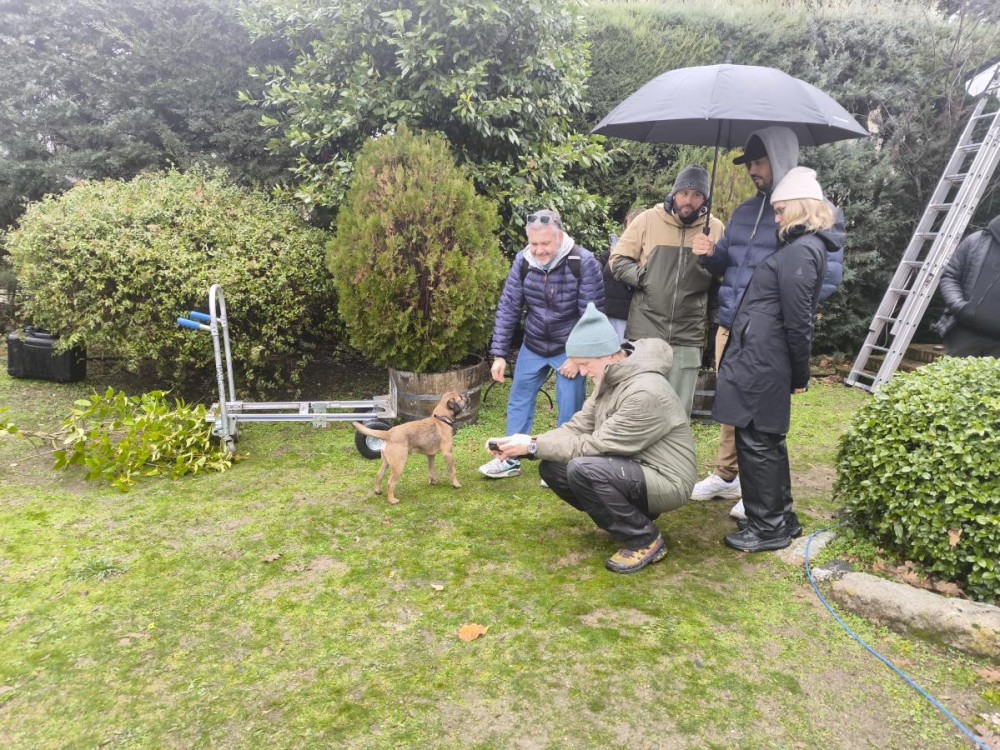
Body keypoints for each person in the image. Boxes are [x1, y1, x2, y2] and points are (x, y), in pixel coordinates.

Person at [690, 127, 845, 519]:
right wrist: (708, 254)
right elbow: (726, 263)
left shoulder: (809, 211)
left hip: (767, 333)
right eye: (748, 163)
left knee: (761, 415)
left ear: (779, 159)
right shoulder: (745, 211)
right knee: (732, 407)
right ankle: (728, 476)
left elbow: (823, 278)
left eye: (758, 162)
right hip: (730, 325)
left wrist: (777, 317)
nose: (752, 170)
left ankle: (757, 489)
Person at [489, 303, 697, 573]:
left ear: (608, 355)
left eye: (585, 364)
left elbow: (596, 445)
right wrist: (525, 443)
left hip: (667, 479)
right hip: (633, 467)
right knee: (553, 467)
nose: (583, 373)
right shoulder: (610, 379)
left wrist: (532, 447)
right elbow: (577, 427)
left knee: (584, 469)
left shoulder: (644, 392)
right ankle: (630, 517)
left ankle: (644, 539)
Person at [479, 209, 605, 479]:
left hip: (569, 348)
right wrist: (499, 354)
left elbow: (592, 315)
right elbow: (509, 306)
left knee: (570, 408)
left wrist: (578, 358)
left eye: (545, 243)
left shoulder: (583, 261)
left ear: (559, 237)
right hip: (534, 343)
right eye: (533, 243)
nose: (538, 250)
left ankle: (562, 466)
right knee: (518, 400)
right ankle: (509, 459)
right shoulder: (523, 261)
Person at [610, 165, 724, 416]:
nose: (688, 201)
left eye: (697, 195)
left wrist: (713, 255)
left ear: (705, 200)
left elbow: (723, 277)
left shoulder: (715, 228)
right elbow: (617, 260)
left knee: (677, 412)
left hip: (689, 333)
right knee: (639, 406)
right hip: (646, 330)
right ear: (674, 193)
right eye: (683, 193)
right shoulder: (648, 220)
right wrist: (646, 278)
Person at [932, 214, 1000, 357]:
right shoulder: (975, 241)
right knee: (955, 372)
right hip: (964, 335)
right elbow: (950, 276)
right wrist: (959, 306)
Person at [601, 209, 643, 344]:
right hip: (607, 312)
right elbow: (600, 264)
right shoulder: (617, 248)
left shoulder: (647, 253)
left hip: (628, 316)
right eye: (628, 228)